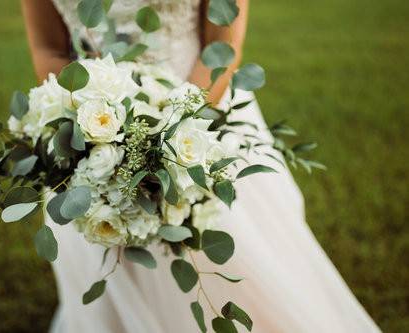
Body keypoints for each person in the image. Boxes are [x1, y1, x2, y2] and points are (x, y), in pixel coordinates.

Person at [21, 1, 381, 332]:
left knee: (234, 258)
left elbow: (221, 48)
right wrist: (95, 127)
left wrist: (174, 131)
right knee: (107, 248)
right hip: (90, 132)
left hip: (202, 113)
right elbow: (49, 50)